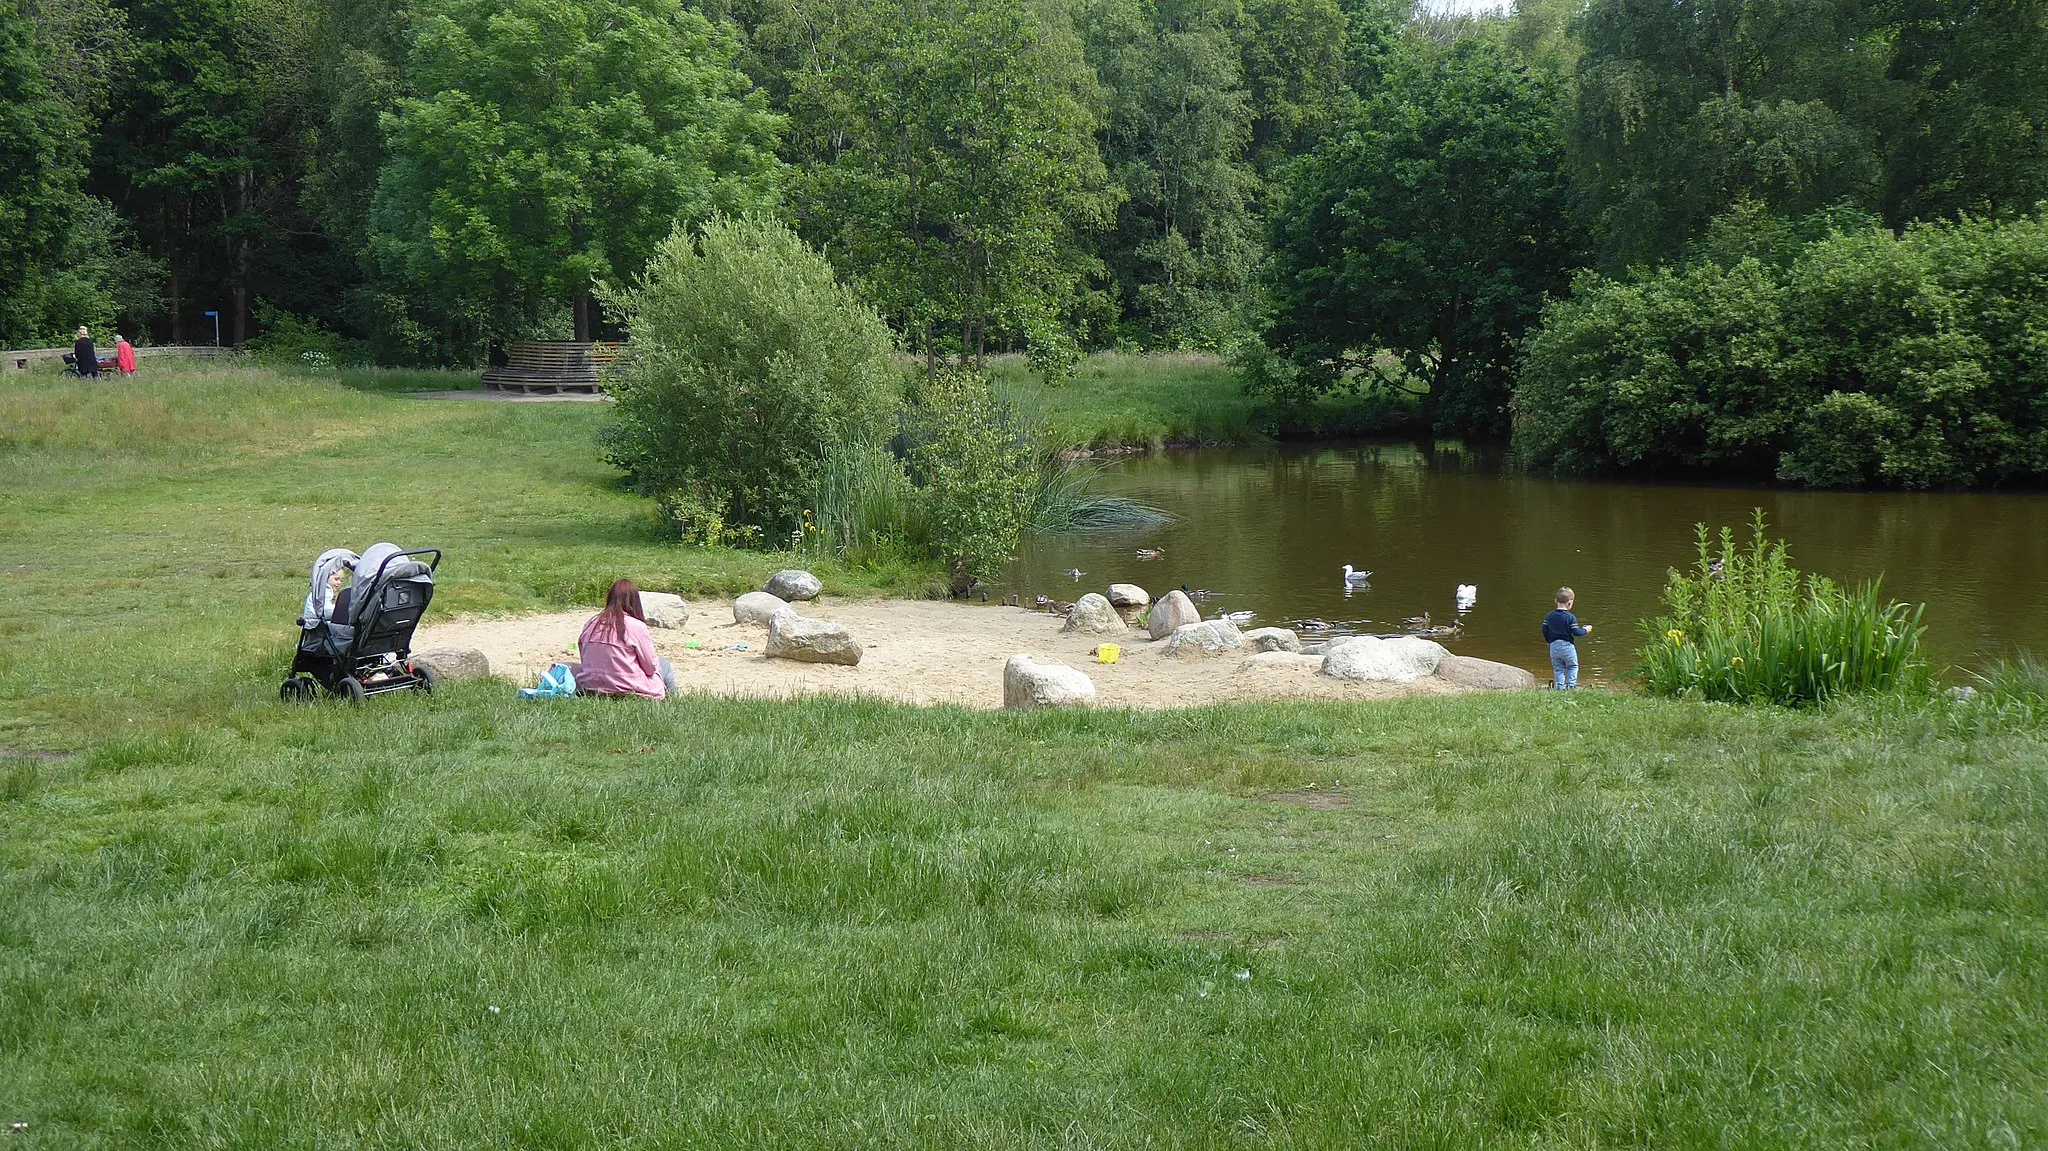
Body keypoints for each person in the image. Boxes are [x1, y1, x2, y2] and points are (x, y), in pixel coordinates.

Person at [573, 579, 675, 699]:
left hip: (592, 686)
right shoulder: (635, 626)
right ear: (634, 601)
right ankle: (673, 701)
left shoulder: (591, 623)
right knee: (664, 663)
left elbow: (584, 657)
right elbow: (650, 667)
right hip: (627, 687)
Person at [1542, 586, 1592, 690]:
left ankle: (1559, 688)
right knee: (1572, 666)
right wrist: (1585, 630)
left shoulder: (1549, 616)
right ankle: (1571, 686)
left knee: (1558, 668)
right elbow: (1576, 632)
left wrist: (1548, 641)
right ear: (1570, 603)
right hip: (1567, 646)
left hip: (1553, 646)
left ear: (1556, 601)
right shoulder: (1570, 617)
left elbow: (1544, 629)